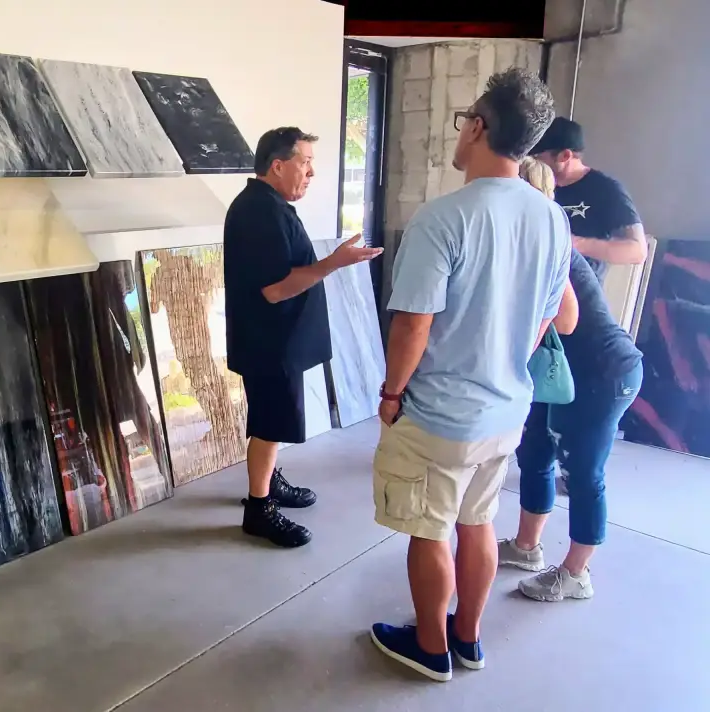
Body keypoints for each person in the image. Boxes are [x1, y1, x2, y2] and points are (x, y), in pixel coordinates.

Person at [369, 69, 570, 682]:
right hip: (507, 410)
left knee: (428, 530)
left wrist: (392, 392)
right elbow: (544, 321)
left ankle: (430, 649)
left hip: (438, 415)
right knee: (478, 522)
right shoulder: (551, 219)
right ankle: (469, 638)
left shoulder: (443, 218)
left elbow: (412, 328)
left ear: (478, 127)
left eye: (464, 121)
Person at [223, 127, 382, 548]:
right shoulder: (261, 212)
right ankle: (259, 509)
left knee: (270, 421)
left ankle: (268, 481)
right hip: (270, 344)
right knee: (271, 423)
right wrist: (335, 262)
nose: (312, 172)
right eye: (305, 162)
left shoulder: (266, 205)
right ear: (278, 165)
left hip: (273, 341)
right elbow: (275, 288)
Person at [498, 158, 644, 602]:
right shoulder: (522, 246)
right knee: (535, 451)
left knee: (583, 473)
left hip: (604, 372)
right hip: (560, 374)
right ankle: (527, 547)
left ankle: (576, 573)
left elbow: (563, 320)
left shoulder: (550, 246)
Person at [530, 117, 647, 284]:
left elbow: (637, 251)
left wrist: (574, 243)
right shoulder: (535, 182)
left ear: (565, 156)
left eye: (538, 157)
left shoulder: (606, 189)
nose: (534, 162)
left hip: (577, 290)